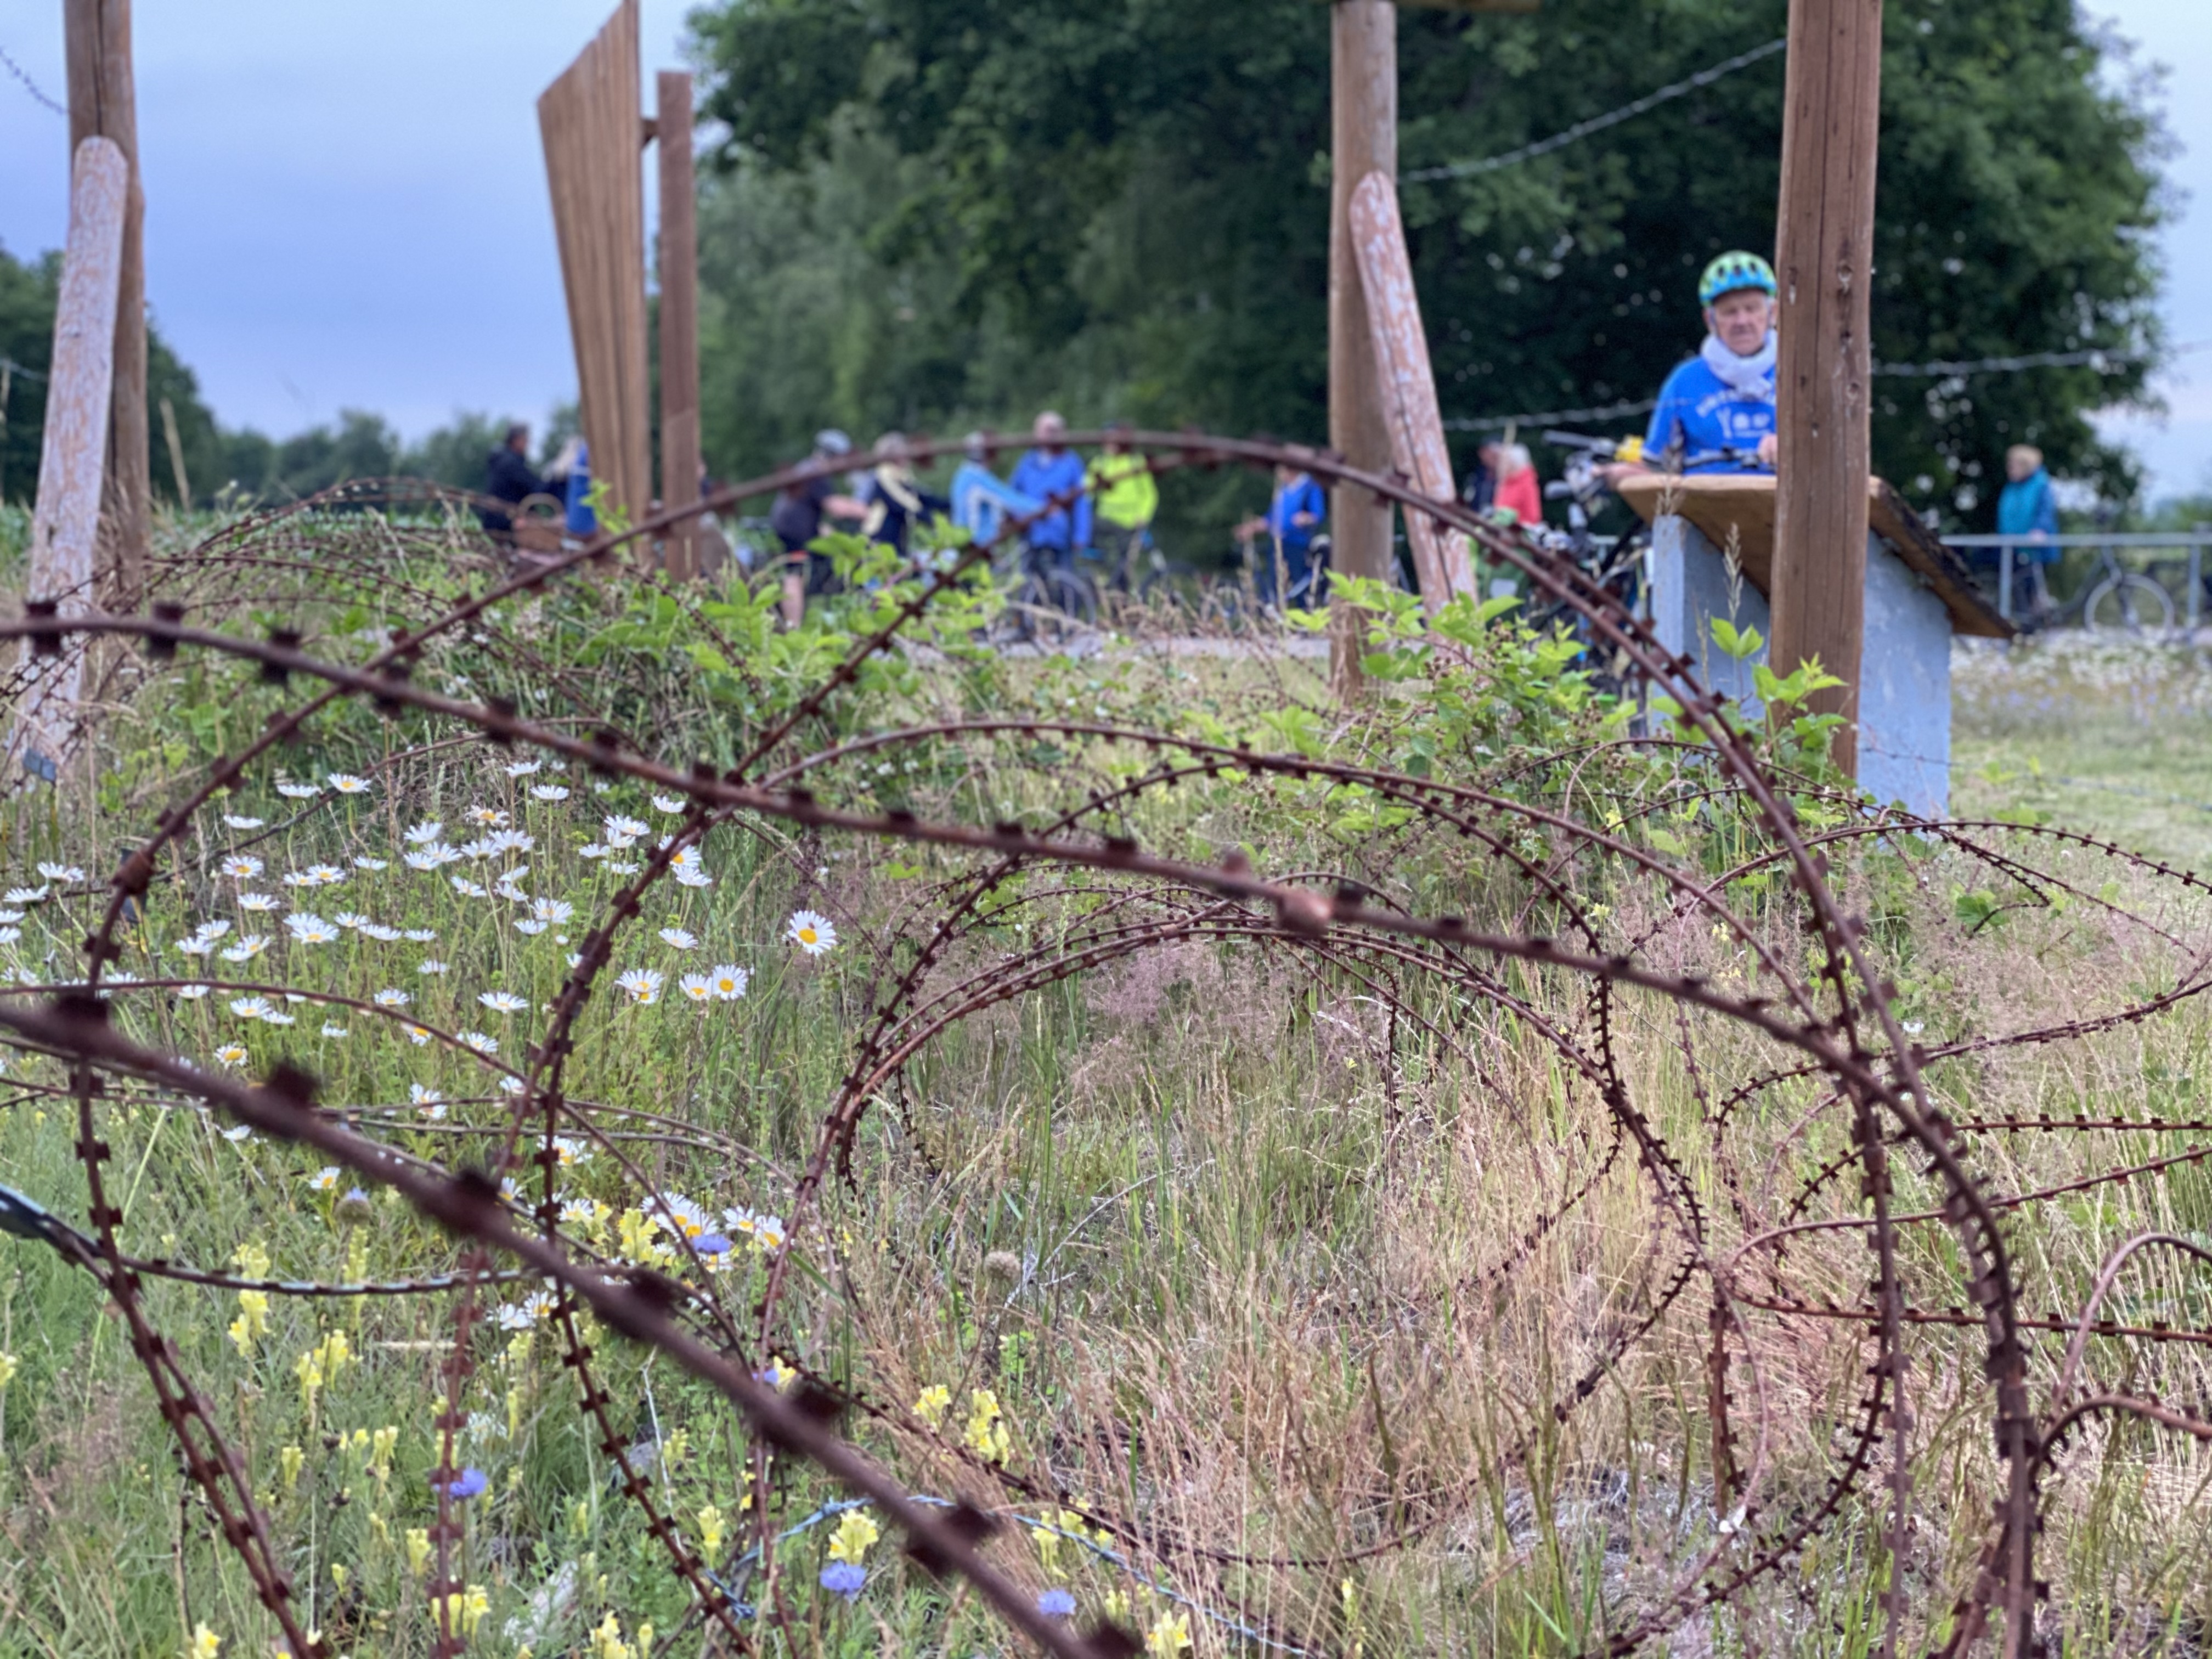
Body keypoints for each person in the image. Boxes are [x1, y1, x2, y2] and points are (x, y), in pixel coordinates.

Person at [1605, 252, 1781, 482]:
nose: (1742, 321)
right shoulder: (1685, 380)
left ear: (1773, 313)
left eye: (1752, 309)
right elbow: (1655, 464)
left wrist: (1791, 446)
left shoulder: (1801, 374)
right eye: (1730, 312)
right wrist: (1606, 474)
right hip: (1705, 511)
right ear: (1710, 320)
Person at [773, 429, 867, 625]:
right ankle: (793, 624)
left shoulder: (807, 467)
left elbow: (812, 505)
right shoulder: (817, 471)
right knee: (795, 574)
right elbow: (835, 507)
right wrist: (864, 510)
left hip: (790, 527)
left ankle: (800, 619)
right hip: (795, 530)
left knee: (798, 571)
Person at [1007, 412, 1092, 575]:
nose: (1048, 435)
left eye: (1053, 430)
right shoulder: (1027, 462)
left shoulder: (1071, 463)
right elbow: (1011, 495)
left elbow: (1082, 501)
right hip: (1031, 535)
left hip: (1061, 536)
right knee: (1030, 582)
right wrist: (1018, 520)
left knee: (1064, 583)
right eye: (1044, 430)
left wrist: (1081, 536)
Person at [1235, 462, 1327, 608]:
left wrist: (1306, 518)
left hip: (1298, 543)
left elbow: (1318, 515)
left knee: (1298, 582)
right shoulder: (1282, 490)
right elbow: (1272, 517)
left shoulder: (1309, 488)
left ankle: (1303, 614)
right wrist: (1252, 528)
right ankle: (1277, 614)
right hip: (1277, 542)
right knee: (1276, 582)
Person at [1086, 424, 1159, 589]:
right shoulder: (1100, 463)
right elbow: (1085, 490)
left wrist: (1144, 516)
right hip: (1105, 519)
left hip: (1129, 522)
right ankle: (1100, 568)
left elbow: (1150, 494)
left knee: (1124, 566)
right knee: (1088, 531)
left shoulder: (1135, 461)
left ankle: (1121, 603)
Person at [854, 432, 947, 558]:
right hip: (878, 544)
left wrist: (951, 503)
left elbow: (925, 498)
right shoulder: (883, 477)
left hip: (896, 543)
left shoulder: (902, 477)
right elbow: (903, 505)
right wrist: (936, 522)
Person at [1994, 443, 2059, 618]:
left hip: (2033, 548)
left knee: (2032, 588)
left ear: (2025, 465)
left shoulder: (2040, 485)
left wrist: (2039, 530)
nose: (2010, 468)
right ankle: (2021, 624)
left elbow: (2045, 512)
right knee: (2015, 587)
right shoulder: (2012, 487)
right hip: (2012, 546)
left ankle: (2034, 625)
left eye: (2013, 464)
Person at [477, 422, 545, 534]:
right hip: (504, 522)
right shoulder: (510, 463)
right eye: (525, 440)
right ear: (516, 440)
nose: (528, 444)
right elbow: (533, 486)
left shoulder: (504, 459)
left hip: (499, 520)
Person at [1493, 443, 1542, 527]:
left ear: (1514, 463)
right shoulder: (1504, 483)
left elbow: (1533, 517)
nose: (1500, 465)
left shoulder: (1527, 484)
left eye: (1505, 462)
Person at [1461, 438, 1503, 514]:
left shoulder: (1507, 480)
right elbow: (1467, 501)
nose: (1487, 457)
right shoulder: (1475, 478)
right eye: (1484, 453)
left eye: (1494, 455)